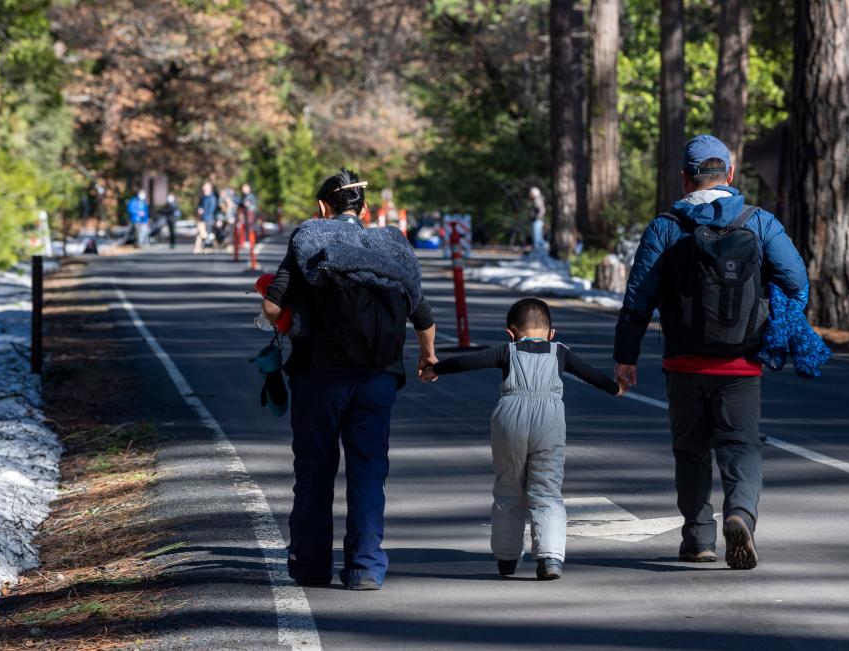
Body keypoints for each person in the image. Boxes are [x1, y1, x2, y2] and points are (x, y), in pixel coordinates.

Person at [612, 134, 808, 570]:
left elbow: (637, 299)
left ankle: (699, 538)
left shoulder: (666, 226)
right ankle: (739, 514)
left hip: (682, 361)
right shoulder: (759, 222)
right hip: (742, 361)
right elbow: (796, 281)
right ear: (731, 175)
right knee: (740, 444)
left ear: (685, 178)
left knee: (691, 451)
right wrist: (774, 322)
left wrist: (625, 356)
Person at [260, 168, 437, 590]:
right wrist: (428, 356)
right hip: (377, 378)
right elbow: (422, 312)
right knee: (368, 471)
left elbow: (272, 306)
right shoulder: (392, 245)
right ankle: (364, 567)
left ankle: (311, 566)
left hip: (318, 377)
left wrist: (293, 327)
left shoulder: (309, 237)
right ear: (365, 209)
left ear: (324, 207)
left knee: (315, 471)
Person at [421, 298, 624, 580]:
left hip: (509, 419)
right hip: (549, 422)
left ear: (511, 333)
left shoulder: (507, 351)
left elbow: (470, 361)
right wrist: (615, 388)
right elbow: (591, 374)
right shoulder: (560, 352)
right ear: (552, 333)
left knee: (508, 489)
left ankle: (506, 557)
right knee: (547, 490)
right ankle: (550, 558)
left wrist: (435, 368)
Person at [195, 182, 217, 253]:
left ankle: (209, 247)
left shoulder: (212, 198)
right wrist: (200, 209)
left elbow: (212, 209)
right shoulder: (202, 197)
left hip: (209, 218)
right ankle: (204, 246)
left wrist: (208, 216)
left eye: (206, 188)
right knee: (202, 234)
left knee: (209, 233)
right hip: (202, 218)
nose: (204, 189)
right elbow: (200, 205)